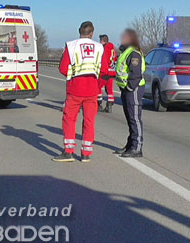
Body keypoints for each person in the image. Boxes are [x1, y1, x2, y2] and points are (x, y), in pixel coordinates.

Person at [52, 21, 110, 163]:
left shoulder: (71, 46)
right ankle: (86, 153)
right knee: (89, 121)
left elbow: (63, 68)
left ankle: (68, 151)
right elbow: (104, 70)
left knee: (69, 119)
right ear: (92, 33)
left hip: (75, 89)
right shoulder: (99, 47)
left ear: (79, 31)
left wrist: (72, 75)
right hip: (92, 90)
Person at [114, 28, 146, 158]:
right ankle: (130, 144)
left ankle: (137, 147)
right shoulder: (126, 52)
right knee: (129, 118)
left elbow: (135, 74)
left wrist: (130, 88)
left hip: (133, 89)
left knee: (134, 118)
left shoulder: (134, 53)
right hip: (126, 90)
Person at [97, 34, 117, 112]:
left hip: (105, 72)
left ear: (103, 41)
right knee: (109, 89)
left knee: (98, 87)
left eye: (100, 41)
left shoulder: (105, 49)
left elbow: (103, 60)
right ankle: (109, 104)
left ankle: (98, 104)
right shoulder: (112, 49)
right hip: (112, 72)